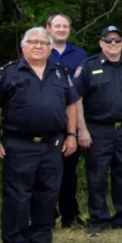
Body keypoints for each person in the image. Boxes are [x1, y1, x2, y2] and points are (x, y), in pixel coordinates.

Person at [0, 27, 79, 243]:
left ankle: (41, 238)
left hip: (52, 144)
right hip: (19, 145)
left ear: (50, 48)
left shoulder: (60, 73)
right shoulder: (9, 73)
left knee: (48, 193)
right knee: (17, 195)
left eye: (43, 43)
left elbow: (72, 105)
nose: (38, 46)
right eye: (33, 42)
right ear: (23, 46)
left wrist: (72, 134)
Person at [73, 26, 122, 236]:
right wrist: (81, 129)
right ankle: (98, 219)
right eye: (108, 41)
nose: (113, 44)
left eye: (117, 40)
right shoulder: (89, 66)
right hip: (97, 131)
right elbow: (76, 100)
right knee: (97, 176)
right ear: (101, 43)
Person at [46, 12, 88, 228]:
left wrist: (81, 127)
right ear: (48, 28)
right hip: (46, 120)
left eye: (65, 26)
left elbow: (82, 92)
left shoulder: (80, 55)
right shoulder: (41, 51)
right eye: (57, 26)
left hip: (71, 119)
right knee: (45, 170)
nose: (61, 30)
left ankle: (70, 215)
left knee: (68, 171)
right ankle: (46, 215)